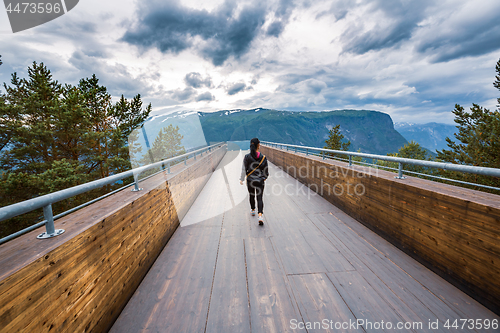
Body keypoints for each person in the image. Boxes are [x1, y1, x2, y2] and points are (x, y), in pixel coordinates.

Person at [240, 138, 269, 225]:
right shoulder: (263, 157)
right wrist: (264, 177)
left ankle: (253, 210)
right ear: (258, 145)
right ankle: (260, 216)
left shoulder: (247, 157)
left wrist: (242, 179)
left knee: (252, 195)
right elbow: (266, 171)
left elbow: (244, 169)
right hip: (260, 181)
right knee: (259, 198)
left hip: (250, 181)